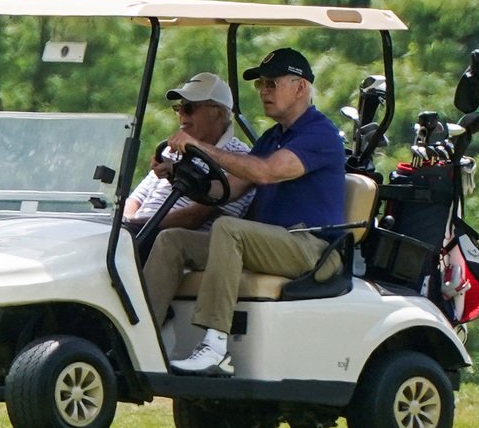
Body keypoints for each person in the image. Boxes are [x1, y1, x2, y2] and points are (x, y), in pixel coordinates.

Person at [141, 48, 347, 376]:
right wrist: (176, 172)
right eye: (261, 85)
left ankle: (214, 347)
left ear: (300, 87)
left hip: (312, 248)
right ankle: (140, 342)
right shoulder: (271, 138)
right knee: (172, 240)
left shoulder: (319, 134)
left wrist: (200, 147)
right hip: (272, 244)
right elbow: (228, 189)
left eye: (272, 83)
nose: (264, 91)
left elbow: (265, 172)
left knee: (228, 227)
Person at [124, 73, 255, 230]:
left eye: (189, 108)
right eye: (179, 108)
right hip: (139, 231)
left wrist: (139, 227)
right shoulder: (173, 149)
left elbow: (194, 217)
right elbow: (135, 199)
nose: (181, 115)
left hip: (178, 240)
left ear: (218, 113)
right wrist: (125, 222)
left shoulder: (239, 160)